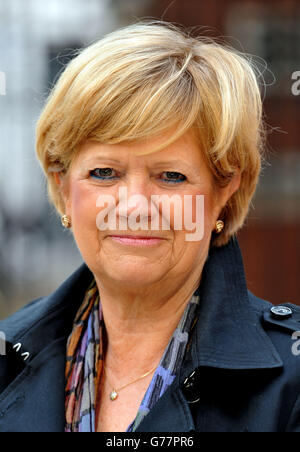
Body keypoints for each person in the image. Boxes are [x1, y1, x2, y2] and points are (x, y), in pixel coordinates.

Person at [0, 21, 300, 433]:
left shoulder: (292, 382)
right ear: (64, 187)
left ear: (223, 192)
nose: (136, 206)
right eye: (104, 173)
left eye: (171, 176)